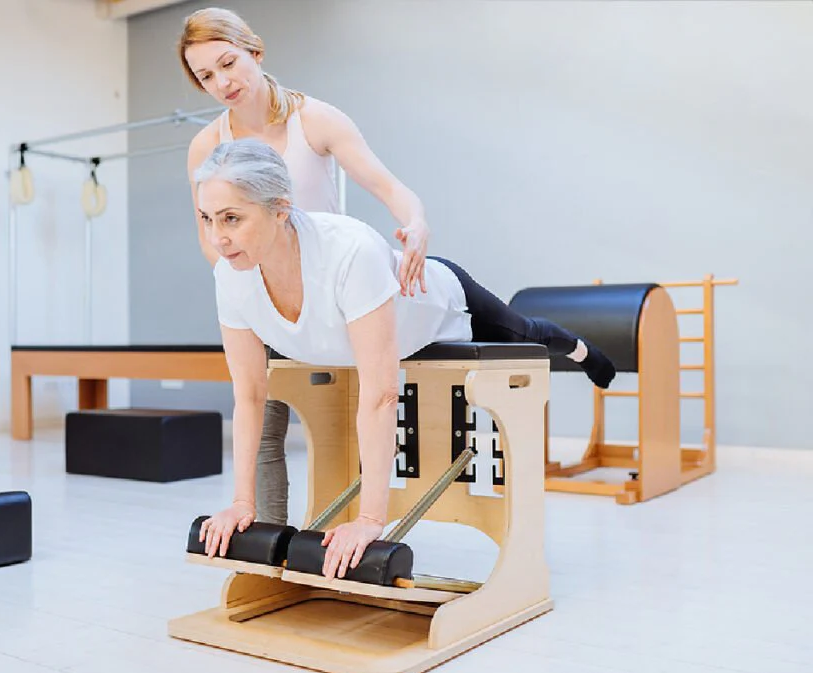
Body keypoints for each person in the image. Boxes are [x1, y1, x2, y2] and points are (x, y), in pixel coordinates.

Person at [192, 138, 616, 579]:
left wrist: (371, 522)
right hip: (385, 323)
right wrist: (242, 504)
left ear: (279, 209)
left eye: (232, 219)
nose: (217, 238)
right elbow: (250, 394)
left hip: (447, 302)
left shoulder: (349, 251)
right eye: (207, 218)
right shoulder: (231, 274)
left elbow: (380, 394)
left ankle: (580, 349)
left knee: (528, 334)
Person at [179, 6, 431, 528]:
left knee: (366, 405)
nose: (221, 82)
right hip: (264, 293)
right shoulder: (207, 146)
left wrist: (416, 223)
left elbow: (387, 187)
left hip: (330, 290)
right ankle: (263, 542)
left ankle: (363, 524)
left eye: (228, 63)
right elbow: (210, 236)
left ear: (255, 50)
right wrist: (243, 279)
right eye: (206, 76)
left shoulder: (313, 120)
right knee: (262, 415)